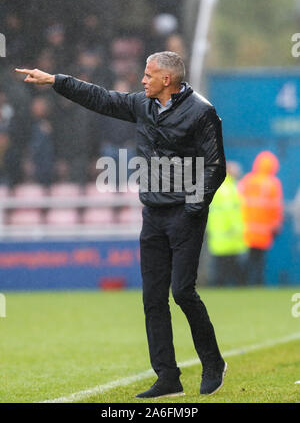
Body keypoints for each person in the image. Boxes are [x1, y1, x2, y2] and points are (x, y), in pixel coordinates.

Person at [15, 51, 227, 398]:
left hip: (185, 215)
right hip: (153, 214)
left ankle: (213, 363)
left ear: (166, 80)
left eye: (148, 75)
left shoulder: (202, 112)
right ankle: (168, 377)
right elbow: (101, 98)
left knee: (182, 292)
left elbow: (216, 166)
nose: (142, 80)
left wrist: (193, 205)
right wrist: (56, 81)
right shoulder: (142, 105)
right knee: (152, 299)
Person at [238, 151, 283, 285]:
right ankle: (258, 283)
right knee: (259, 261)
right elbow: (275, 207)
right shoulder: (273, 184)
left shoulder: (247, 180)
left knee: (247, 260)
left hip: (245, 229)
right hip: (264, 230)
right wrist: (276, 224)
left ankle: (243, 284)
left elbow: (238, 201)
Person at [206, 161, 248, 286]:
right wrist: (237, 229)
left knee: (223, 269)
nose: (238, 172)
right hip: (228, 236)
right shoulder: (226, 188)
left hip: (221, 236)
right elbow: (230, 211)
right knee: (227, 270)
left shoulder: (226, 186)